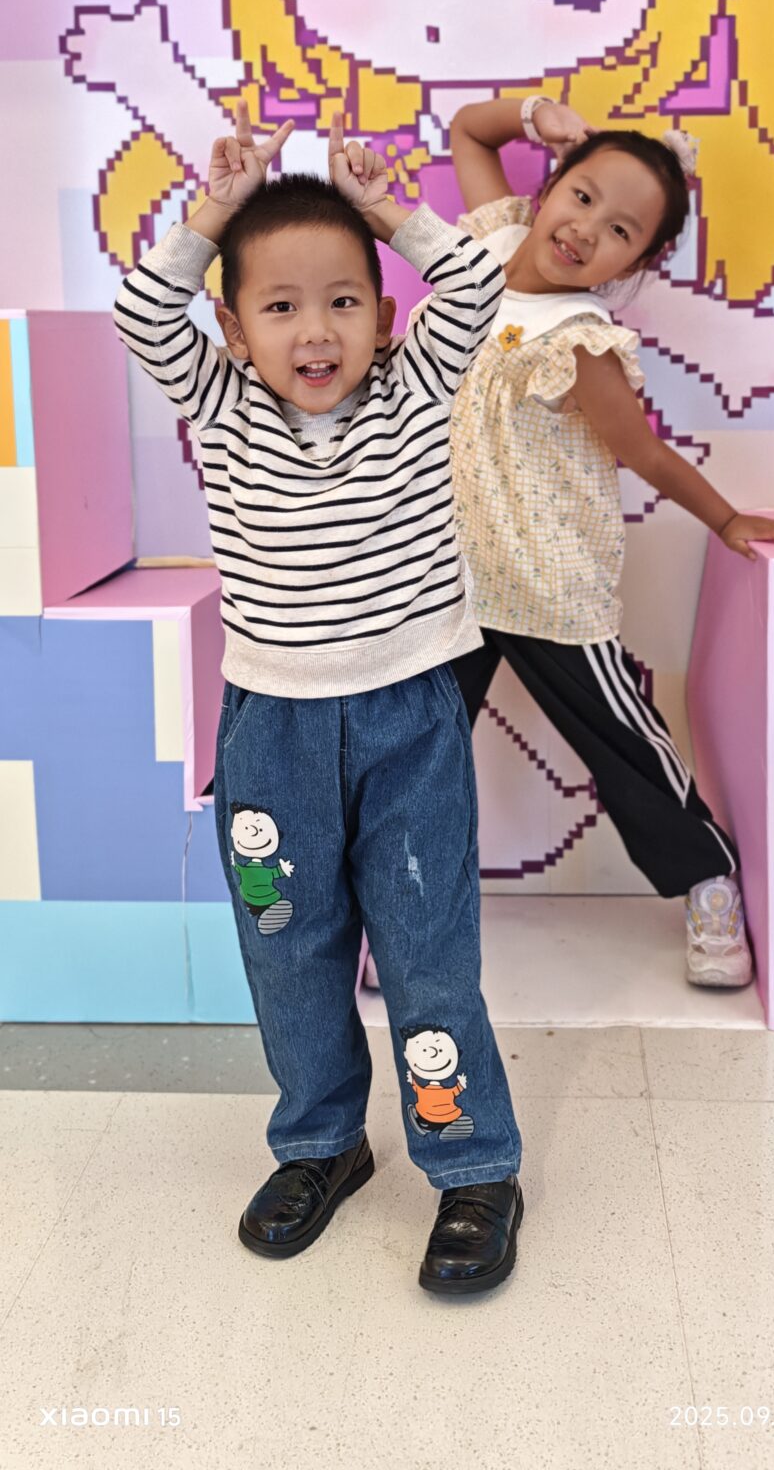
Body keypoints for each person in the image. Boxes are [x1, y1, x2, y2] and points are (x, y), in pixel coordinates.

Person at [113, 103, 523, 1296]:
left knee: (428, 956)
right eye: (281, 306)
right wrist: (213, 212)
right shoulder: (222, 402)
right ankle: (322, 1141)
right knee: (288, 951)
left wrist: (391, 209)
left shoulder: (414, 385)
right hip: (274, 732)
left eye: (344, 300)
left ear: (385, 317)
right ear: (234, 330)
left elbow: (478, 285)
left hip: (409, 721)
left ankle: (472, 1163)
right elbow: (144, 312)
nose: (315, 329)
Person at [442, 92, 774, 986]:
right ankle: (403, 907)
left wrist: (728, 520)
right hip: (445, 581)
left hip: (548, 584)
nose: (585, 230)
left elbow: (641, 453)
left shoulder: (581, 339)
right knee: (413, 753)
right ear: (548, 190)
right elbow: (469, 133)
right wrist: (536, 113)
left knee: (626, 745)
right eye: (582, 197)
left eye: (619, 232)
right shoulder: (486, 246)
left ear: (635, 264)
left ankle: (706, 876)